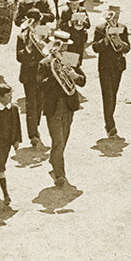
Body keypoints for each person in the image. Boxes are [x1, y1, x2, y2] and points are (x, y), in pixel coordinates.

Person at [40, 30, 86, 186]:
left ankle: (54, 160)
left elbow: (83, 80)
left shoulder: (71, 59)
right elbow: (40, 85)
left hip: (69, 105)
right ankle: (60, 174)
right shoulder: (45, 63)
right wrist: (55, 75)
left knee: (63, 140)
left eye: (65, 46)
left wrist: (75, 76)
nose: (63, 50)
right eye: (60, 46)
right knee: (58, 141)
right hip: (54, 107)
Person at [91, 6, 130, 138]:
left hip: (118, 66)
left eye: (117, 16)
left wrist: (119, 41)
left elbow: (127, 48)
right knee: (107, 96)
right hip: (105, 67)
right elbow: (95, 48)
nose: (115, 19)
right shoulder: (100, 29)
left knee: (113, 95)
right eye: (113, 16)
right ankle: (110, 125)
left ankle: (109, 119)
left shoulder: (123, 28)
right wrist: (106, 40)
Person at [15, 9, 48, 146]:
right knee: (31, 104)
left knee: (40, 103)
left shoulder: (43, 34)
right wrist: (28, 48)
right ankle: (32, 134)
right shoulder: (22, 36)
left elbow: (48, 52)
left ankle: (35, 125)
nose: (36, 24)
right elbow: (19, 56)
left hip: (41, 74)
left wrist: (44, 44)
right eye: (34, 22)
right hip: (28, 74)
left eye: (38, 22)